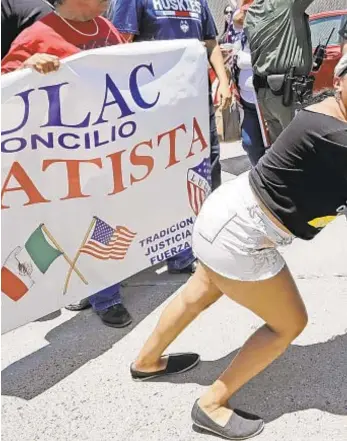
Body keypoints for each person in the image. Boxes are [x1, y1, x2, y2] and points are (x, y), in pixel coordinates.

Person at [129, 54, 347, 440]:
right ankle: (211, 404)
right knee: (289, 324)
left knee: (198, 294)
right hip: (241, 235)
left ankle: (146, 362)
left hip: (226, 215)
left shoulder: (328, 115)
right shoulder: (332, 134)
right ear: (342, 80)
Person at [1, 0, 132, 328]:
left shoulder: (107, 29)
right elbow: (6, 90)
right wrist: (26, 67)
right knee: (73, 223)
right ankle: (106, 297)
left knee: (102, 218)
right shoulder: (36, 36)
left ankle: (91, 286)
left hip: (105, 149)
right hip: (63, 158)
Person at [110, 0, 232, 274]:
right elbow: (120, 45)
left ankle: (203, 241)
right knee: (164, 176)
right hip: (157, 105)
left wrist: (223, 81)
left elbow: (210, 43)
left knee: (206, 169)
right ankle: (172, 248)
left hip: (196, 98)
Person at [244, 0, 315, 144]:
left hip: (266, 95)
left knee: (280, 154)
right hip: (288, 95)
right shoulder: (286, 3)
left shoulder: (251, 13)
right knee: (302, 151)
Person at [231, 6, 265, 165]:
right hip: (247, 101)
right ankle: (259, 172)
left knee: (271, 143)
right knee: (249, 143)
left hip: (267, 100)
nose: (244, 16)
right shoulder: (240, 33)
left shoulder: (268, 31)